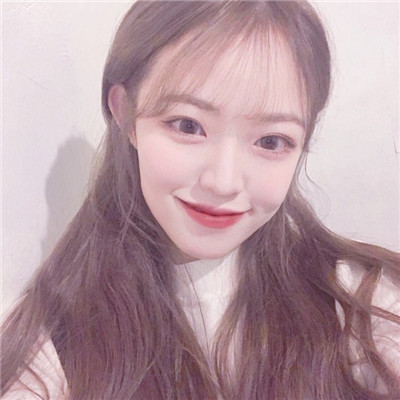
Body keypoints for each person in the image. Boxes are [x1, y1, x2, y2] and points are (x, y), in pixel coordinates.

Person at [1, 1, 399, 399]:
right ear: (125, 113)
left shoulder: (360, 305)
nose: (223, 183)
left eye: (271, 141)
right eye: (188, 126)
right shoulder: (52, 346)